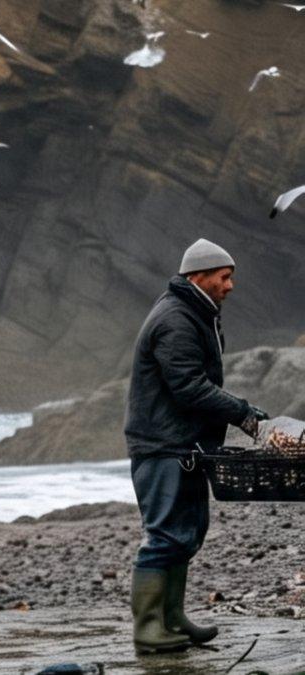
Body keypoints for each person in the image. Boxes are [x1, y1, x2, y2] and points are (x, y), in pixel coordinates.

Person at [124, 238, 268, 654]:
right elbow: (188, 387)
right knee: (165, 534)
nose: (231, 285)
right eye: (224, 277)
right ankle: (149, 630)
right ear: (198, 277)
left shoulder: (196, 312)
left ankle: (172, 618)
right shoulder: (176, 319)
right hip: (162, 445)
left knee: (187, 533)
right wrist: (242, 413)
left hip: (184, 446)